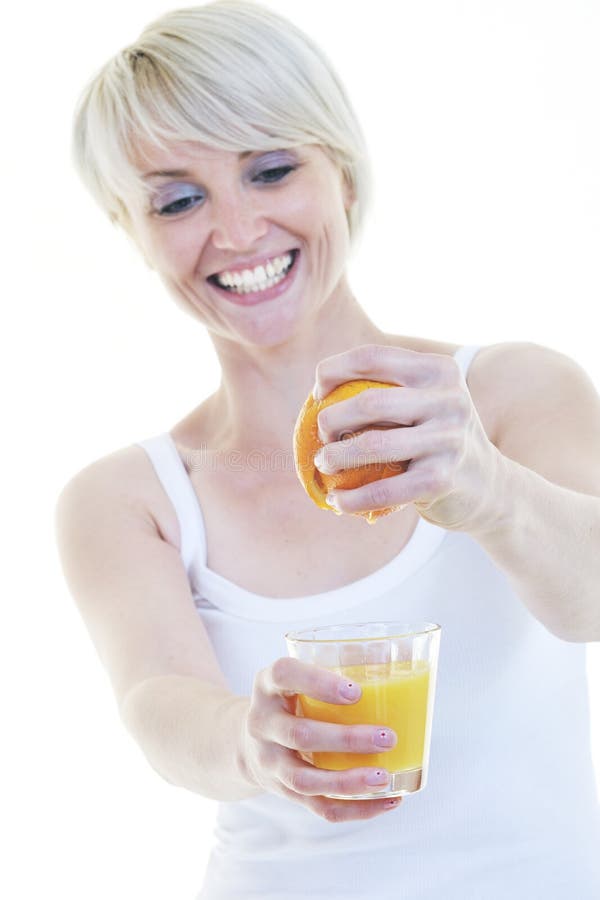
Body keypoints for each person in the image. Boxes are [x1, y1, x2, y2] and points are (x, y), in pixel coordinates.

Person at [55, 1, 600, 897]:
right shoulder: (129, 498)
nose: (235, 233)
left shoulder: (509, 396)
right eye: (179, 199)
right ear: (134, 231)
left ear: (342, 175)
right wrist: (249, 741)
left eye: (270, 171)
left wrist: (488, 489)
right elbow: (156, 707)